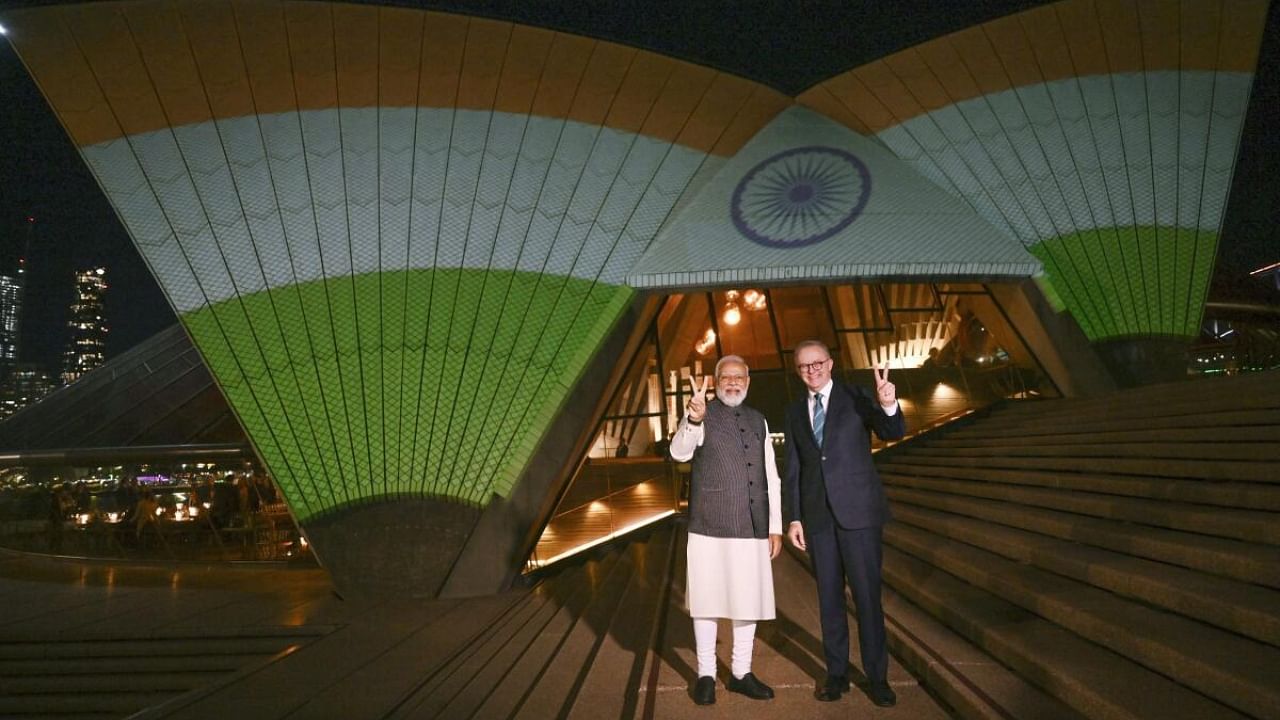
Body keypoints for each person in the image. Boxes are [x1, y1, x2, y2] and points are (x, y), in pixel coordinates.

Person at [783, 340, 905, 707]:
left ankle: (877, 677)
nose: (812, 370)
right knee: (829, 601)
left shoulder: (856, 396)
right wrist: (794, 518)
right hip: (818, 519)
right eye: (804, 366)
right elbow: (794, 469)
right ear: (798, 370)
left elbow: (892, 431)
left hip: (859, 517)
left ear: (831, 363)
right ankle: (836, 674)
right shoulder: (792, 411)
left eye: (817, 363)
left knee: (867, 599)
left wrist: (887, 403)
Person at [669, 355, 783, 706]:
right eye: (726, 377)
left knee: (748, 601)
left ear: (748, 380)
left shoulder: (759, 420)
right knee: (707, 602)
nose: (732, 382)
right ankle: (705, 673)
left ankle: (740, 673)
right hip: (709, 526)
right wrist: (692, 419)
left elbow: (771, 476)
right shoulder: (702, 413)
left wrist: (775, 527)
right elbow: (679, 453)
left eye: (739, 376)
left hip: (752, 526)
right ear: (715, 381)